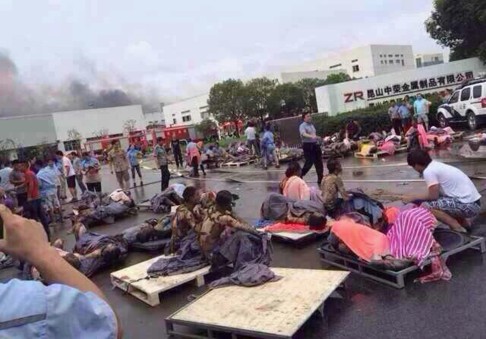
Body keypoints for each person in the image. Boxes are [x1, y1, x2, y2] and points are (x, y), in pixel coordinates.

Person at [0, 205, 121, 338]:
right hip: (70, 261)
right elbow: (105, 323)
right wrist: (41, 252)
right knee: (109, 248)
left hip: (73, 257)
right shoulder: (32, 304)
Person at [404, 149, 481, 233]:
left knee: (426, 206)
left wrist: (413, 197)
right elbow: (439, 195)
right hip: (474, 203)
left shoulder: (429, 171)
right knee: (442, 203)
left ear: (417, 164)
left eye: (413, 166)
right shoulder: (436, 165)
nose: (415, 169)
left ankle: (457, 227)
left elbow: (433, 196)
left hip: (469, 206)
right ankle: (465, 225)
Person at [199, 190, 257, 258]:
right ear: (227, 204)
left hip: (203, 246)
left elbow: (235, 217)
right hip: (211, 251)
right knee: (239, 234)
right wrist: (256, 231)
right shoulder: (224, 218)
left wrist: (233, 214)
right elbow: (242, 227)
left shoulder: (211, 209)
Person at [20, 159, 50, 239]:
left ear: (24, 166)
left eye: (21, 166)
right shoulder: (31, 173)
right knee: (41, 216)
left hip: (33, 198)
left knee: (35, 218)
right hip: (37, 197)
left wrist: (29, 196)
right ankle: (47, 234)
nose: (19, 168)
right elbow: (27, 183)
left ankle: (40, 236)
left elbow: (31, 185)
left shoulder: (27, 173)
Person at [170, 186, 205, 252]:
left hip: (179, 236)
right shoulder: (187, 213)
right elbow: (197, 229)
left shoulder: (184, 206)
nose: (199, 196)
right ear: (191, 198)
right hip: (181, 240)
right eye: (197, 195)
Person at [299, 112, 324, 185]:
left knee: (319, 162)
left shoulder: (312, 125)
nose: (310, 117)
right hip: (308, 145)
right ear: (304, 118)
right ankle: (300, 175)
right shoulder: (302, 126)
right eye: (308, 116)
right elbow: (303, 134)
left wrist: (317, 137)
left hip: (315, 145)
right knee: (309, 162)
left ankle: (320, 179)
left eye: (310, 116)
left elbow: (314, 135)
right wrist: (311, 136)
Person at [36, 158, 62, 225]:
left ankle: (53, 221)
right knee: (57, 204)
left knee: (49, 207)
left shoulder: (39, 175)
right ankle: (61, 218)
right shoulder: (50, 171)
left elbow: (40, 185)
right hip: (54, 189)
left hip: (46, 192)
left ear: (37, 166)